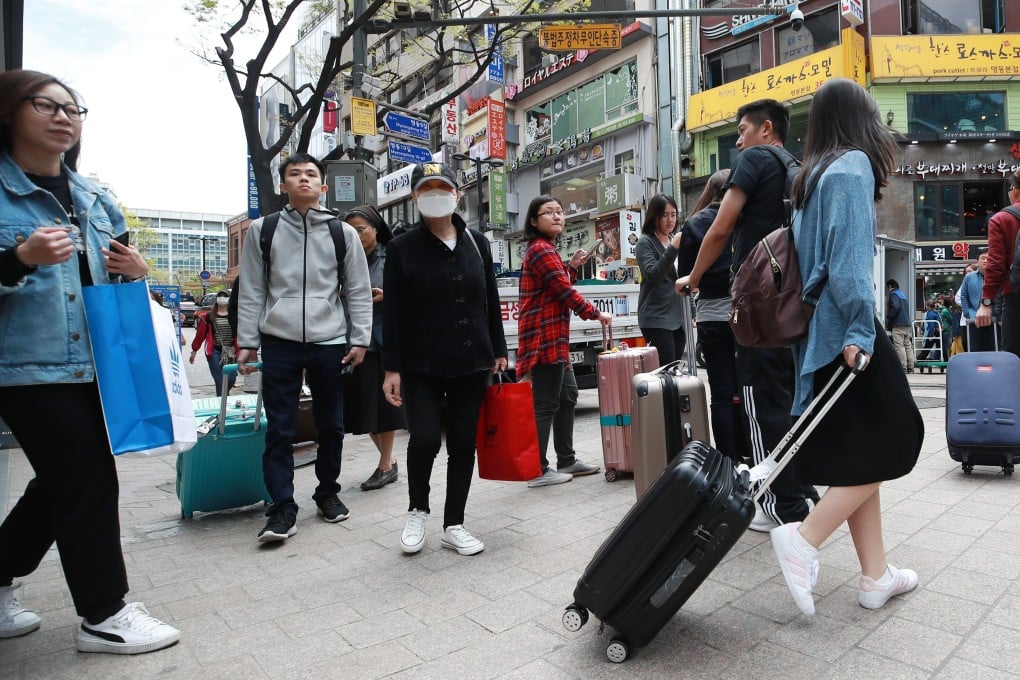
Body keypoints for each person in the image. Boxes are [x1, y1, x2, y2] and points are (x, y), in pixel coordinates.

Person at [0, 69, 180, 653]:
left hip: (95, 362)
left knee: (61, 482)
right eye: (45, 105)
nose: (62, 117)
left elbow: (118, 267)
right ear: (8, 111)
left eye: (73, 109)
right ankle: (104, 614)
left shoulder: (92, 198)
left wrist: (138, 272)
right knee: (87, 478)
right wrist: (18, 257)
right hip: (27, 365)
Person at [769, 78, 923, 617]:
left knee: (864, 452)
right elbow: (851, 266)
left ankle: (876, 575)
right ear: (861, 121)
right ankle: (804, 539)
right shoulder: (854, 166)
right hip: (849, 334)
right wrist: (861, 333)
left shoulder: (809, 179)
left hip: (818, 337)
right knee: (898, 436)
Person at [675, 98, 819, 532]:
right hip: (792, 300)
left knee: (757, 401)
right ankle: (800, 488)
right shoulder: (796, 166)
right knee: (790, 397)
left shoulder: (756, 158)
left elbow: (721, 226)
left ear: (766, 129)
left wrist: (693, 277)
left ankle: (777, 503)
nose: (738, 140)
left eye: (742, 130)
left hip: (757, 303)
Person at [236, 152, 373, 543]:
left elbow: (359, 291)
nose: (303, 180)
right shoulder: (262, 230)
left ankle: (328, 493)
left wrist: (359, 338)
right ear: (283, 185)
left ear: (323, 185)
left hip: (330, 342)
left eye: (311, 174)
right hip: (278, 341)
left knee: (331, 424)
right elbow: (253, 290)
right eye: (294, 174)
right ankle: (282, 507)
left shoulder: (341, 233)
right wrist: (247, 340)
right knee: (279, 428)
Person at [382, 162, 507, 556]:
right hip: (422, 364)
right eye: (427, 188)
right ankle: (417, 510)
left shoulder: (477, 242)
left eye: (443, 186)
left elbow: (490, 298)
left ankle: (454, 523)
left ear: (457, 194)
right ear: (415, 197)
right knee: (422, 438)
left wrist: (499, 350)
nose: (435, 193)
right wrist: (392, 368)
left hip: (472, 361)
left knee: (463, 443)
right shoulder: (401, 248)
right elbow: (395, 313)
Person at [518, 195, 610, 488]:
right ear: (534, 221)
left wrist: (571, 266)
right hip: (543, 339)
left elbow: (557, 283)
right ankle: (536, 469)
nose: (557, 216)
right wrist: (595, 314)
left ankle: (567, 459)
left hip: (556, 339)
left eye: (559, 212)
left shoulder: (547, 250)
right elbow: (563, 291)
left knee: (568, 395)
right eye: (548, 213)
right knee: (545, 404)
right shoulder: (540, 249)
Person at [675, 170, 744, 462]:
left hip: (711, 317)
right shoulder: (747, 217)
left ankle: (728, 458)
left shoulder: (695, 223)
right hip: (746, 316)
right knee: (746, 389)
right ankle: (751, 452)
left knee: (721, 393)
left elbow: (687, 279)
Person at [341, 204, 407, 491]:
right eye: (350, 231)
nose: (356, 236)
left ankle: (385, 464)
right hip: (354, 341)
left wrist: (388, 295)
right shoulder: (344, 259)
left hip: (384, 341)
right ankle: (388, 462)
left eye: (361, 230)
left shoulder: (392, 255)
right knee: (361, 409)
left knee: (383, 408)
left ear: (376, 230)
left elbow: (414, 291)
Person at [635, 194, 686, 364]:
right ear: (654, 216)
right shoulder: (645, 242)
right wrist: (673, 248)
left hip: (679, 317)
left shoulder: (675, 240)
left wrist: (691, 312)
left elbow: (683, 279)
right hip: (656, 317)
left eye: (673, 214)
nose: (670, 220)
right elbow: (653, 274)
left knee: (675, 369)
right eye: (665, 215)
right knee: (666, 371)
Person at [976, 171, 1020, 357]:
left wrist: (986, 302)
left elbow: (995, 264)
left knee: (1014, 359)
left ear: (1015, 191)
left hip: (1016, 297)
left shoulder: (1003, 219)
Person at [190, 290, 238, 396]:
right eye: (220, 296)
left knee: (231, 378)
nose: (222, 298)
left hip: (231, 352)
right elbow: (200, 335)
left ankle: (224, 397)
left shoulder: (235, 316)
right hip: (214, 351)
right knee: (220, 380)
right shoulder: (208, 317)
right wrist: (194, 351)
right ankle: (222, 405)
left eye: (225, 296)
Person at [959, 250, 996, 351]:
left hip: (994, 319)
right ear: (977, 262)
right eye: (983, 258)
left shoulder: (997, 276)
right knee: (975, 349)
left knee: (994, 348)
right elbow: (963, 296)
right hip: (974, 319)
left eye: (988, 258)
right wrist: (968, 314)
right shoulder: (969, 277)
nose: (985, 261)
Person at [885, 279, 914, 372]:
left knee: (899, 346)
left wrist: (889, 316)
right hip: (907, 323)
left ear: (890, 286)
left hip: (898, 324)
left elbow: (896, 307)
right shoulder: (902, 295)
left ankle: (903, 366)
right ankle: (911, 366)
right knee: (908, 345)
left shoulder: (893, 294)